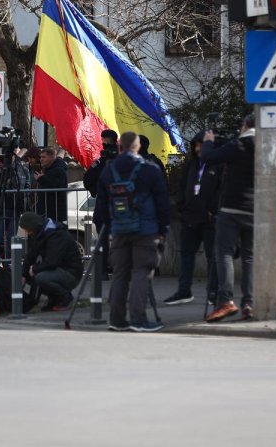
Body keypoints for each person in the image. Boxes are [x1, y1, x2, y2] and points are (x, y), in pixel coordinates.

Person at [95, 131, 170, 332]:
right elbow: (163, 202)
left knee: (120, 274)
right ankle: (138, 319)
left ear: (120, 147)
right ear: (138, 147)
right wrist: (162, 229)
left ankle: (116, 319)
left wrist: (110, 229)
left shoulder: (109, 170)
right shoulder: (149, 170)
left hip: (119, 230)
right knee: (141, 272)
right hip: (146, 230)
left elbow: (101, 205)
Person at [200, 114, 255, 322]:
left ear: (245, 125)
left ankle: (226, 301)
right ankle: (249, 303)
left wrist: (208, 142)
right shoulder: (268, 145)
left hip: (232, 207)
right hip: (256, 209)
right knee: (249, 256)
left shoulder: (238, 145)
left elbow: (208, 158)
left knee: (224, 253)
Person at [164, 131, 222, 305]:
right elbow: (183, 187)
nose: (198, 149)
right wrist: (181, 207)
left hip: (209, 219)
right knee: (186, 255)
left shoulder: (217, 165)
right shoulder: (191, 165)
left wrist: (213, 210)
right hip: (189, 217)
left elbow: (222, 189)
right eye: (195, 145)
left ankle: (213, 292)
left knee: (213, 257)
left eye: (201, 145)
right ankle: (184, 291)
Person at [18, 211, 83, 311]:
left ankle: (65, 298)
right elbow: (31, 255)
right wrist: (23, 274)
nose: (29, 233)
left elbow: (52, 261)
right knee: (33, 276)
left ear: (33, 227)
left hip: (71, 272)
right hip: (60, 270)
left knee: (40, 278)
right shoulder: (42, 233)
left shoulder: (56, 235)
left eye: (28, 230)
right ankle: (55, 299)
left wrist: (34, 269)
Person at [0, 147, 31, 251]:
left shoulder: (22, 168)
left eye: (12, 153)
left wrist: (24, 195)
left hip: (15, 206)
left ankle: (10, 262)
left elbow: (27, 185)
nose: (9, 156)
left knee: (12, 236)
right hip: (1, 206)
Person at [34, 147, 68, 224]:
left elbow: (53, 187)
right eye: (40, 157)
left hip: (54, 213)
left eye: (44, 157)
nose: (41, 159)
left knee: (53, 234)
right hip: (48, 212)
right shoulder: (49, 169)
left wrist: (41, 179)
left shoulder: (58, 170)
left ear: (52, 157)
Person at [83, 129, 118, 197]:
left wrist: (93, 189)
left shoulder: (104, 158)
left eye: (102, 139)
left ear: (107, 139)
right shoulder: (124, 155)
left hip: (106, 195)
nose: (102, 141)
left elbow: (89, 177)